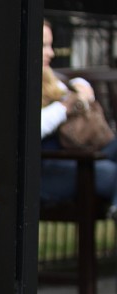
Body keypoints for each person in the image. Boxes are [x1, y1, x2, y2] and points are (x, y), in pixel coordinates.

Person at [40, 19, 117, 216]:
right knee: (111, 173)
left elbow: (69, 88)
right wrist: (65, 107)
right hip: (47, 168)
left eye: (50, 45)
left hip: (77, 155)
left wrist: (80, 85)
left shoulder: (47, 76)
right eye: (43, 46)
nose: (51, 53)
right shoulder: (21, 82)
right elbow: (34, 128)